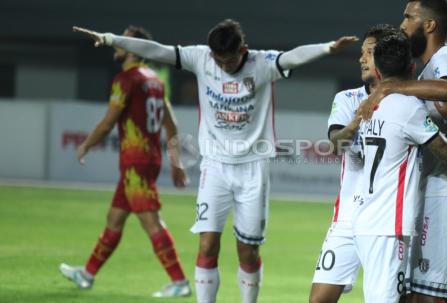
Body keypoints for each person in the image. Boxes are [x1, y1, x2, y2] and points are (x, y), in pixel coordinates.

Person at [73, 19, 358, 303]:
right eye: (218, 61)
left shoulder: (262, 64)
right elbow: (156, 49)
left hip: (253, 167)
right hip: (215, 166)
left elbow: (293, 56)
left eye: (229, 61)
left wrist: (327, 48)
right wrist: (110, 38)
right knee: (208, 244)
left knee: (248, 252)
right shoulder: (201, 58)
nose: (222, 67)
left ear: (242, 51)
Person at [359, 1, 447, 302]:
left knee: (422, 297)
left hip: (445, 189)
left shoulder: (445, 57)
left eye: (409, 17)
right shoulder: (428, 71)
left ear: (429, 25)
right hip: (446, 188)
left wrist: (390, 88)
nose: (403, 24)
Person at [59, 26, 191, 298]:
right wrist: (176, 164)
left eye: (123, 40)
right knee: (115, 218)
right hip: (146, 159)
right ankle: (87, 273)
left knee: (150, 221)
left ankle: (180, 281)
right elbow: (171, 123)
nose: (117, 44)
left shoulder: (126, 80)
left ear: (133, 48)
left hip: (136, 161)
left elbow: (109, 123)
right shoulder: (155, 80)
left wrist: (86, 144)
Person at [351, 31, 447, 303]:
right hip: (390, 226)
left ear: (377, 68)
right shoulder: (408, 107)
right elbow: (446, 153)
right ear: (412, 68)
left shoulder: (369, 106)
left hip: (367, 219)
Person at [309, 24, 401, 303]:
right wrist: (360, 117)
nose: (361, 59)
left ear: (386, 57)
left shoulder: (406, 101)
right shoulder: (348, 99)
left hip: (387, 220)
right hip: (348, 216)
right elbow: (336, 143)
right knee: (319, 299)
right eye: (361, 53)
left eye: (369, 53)